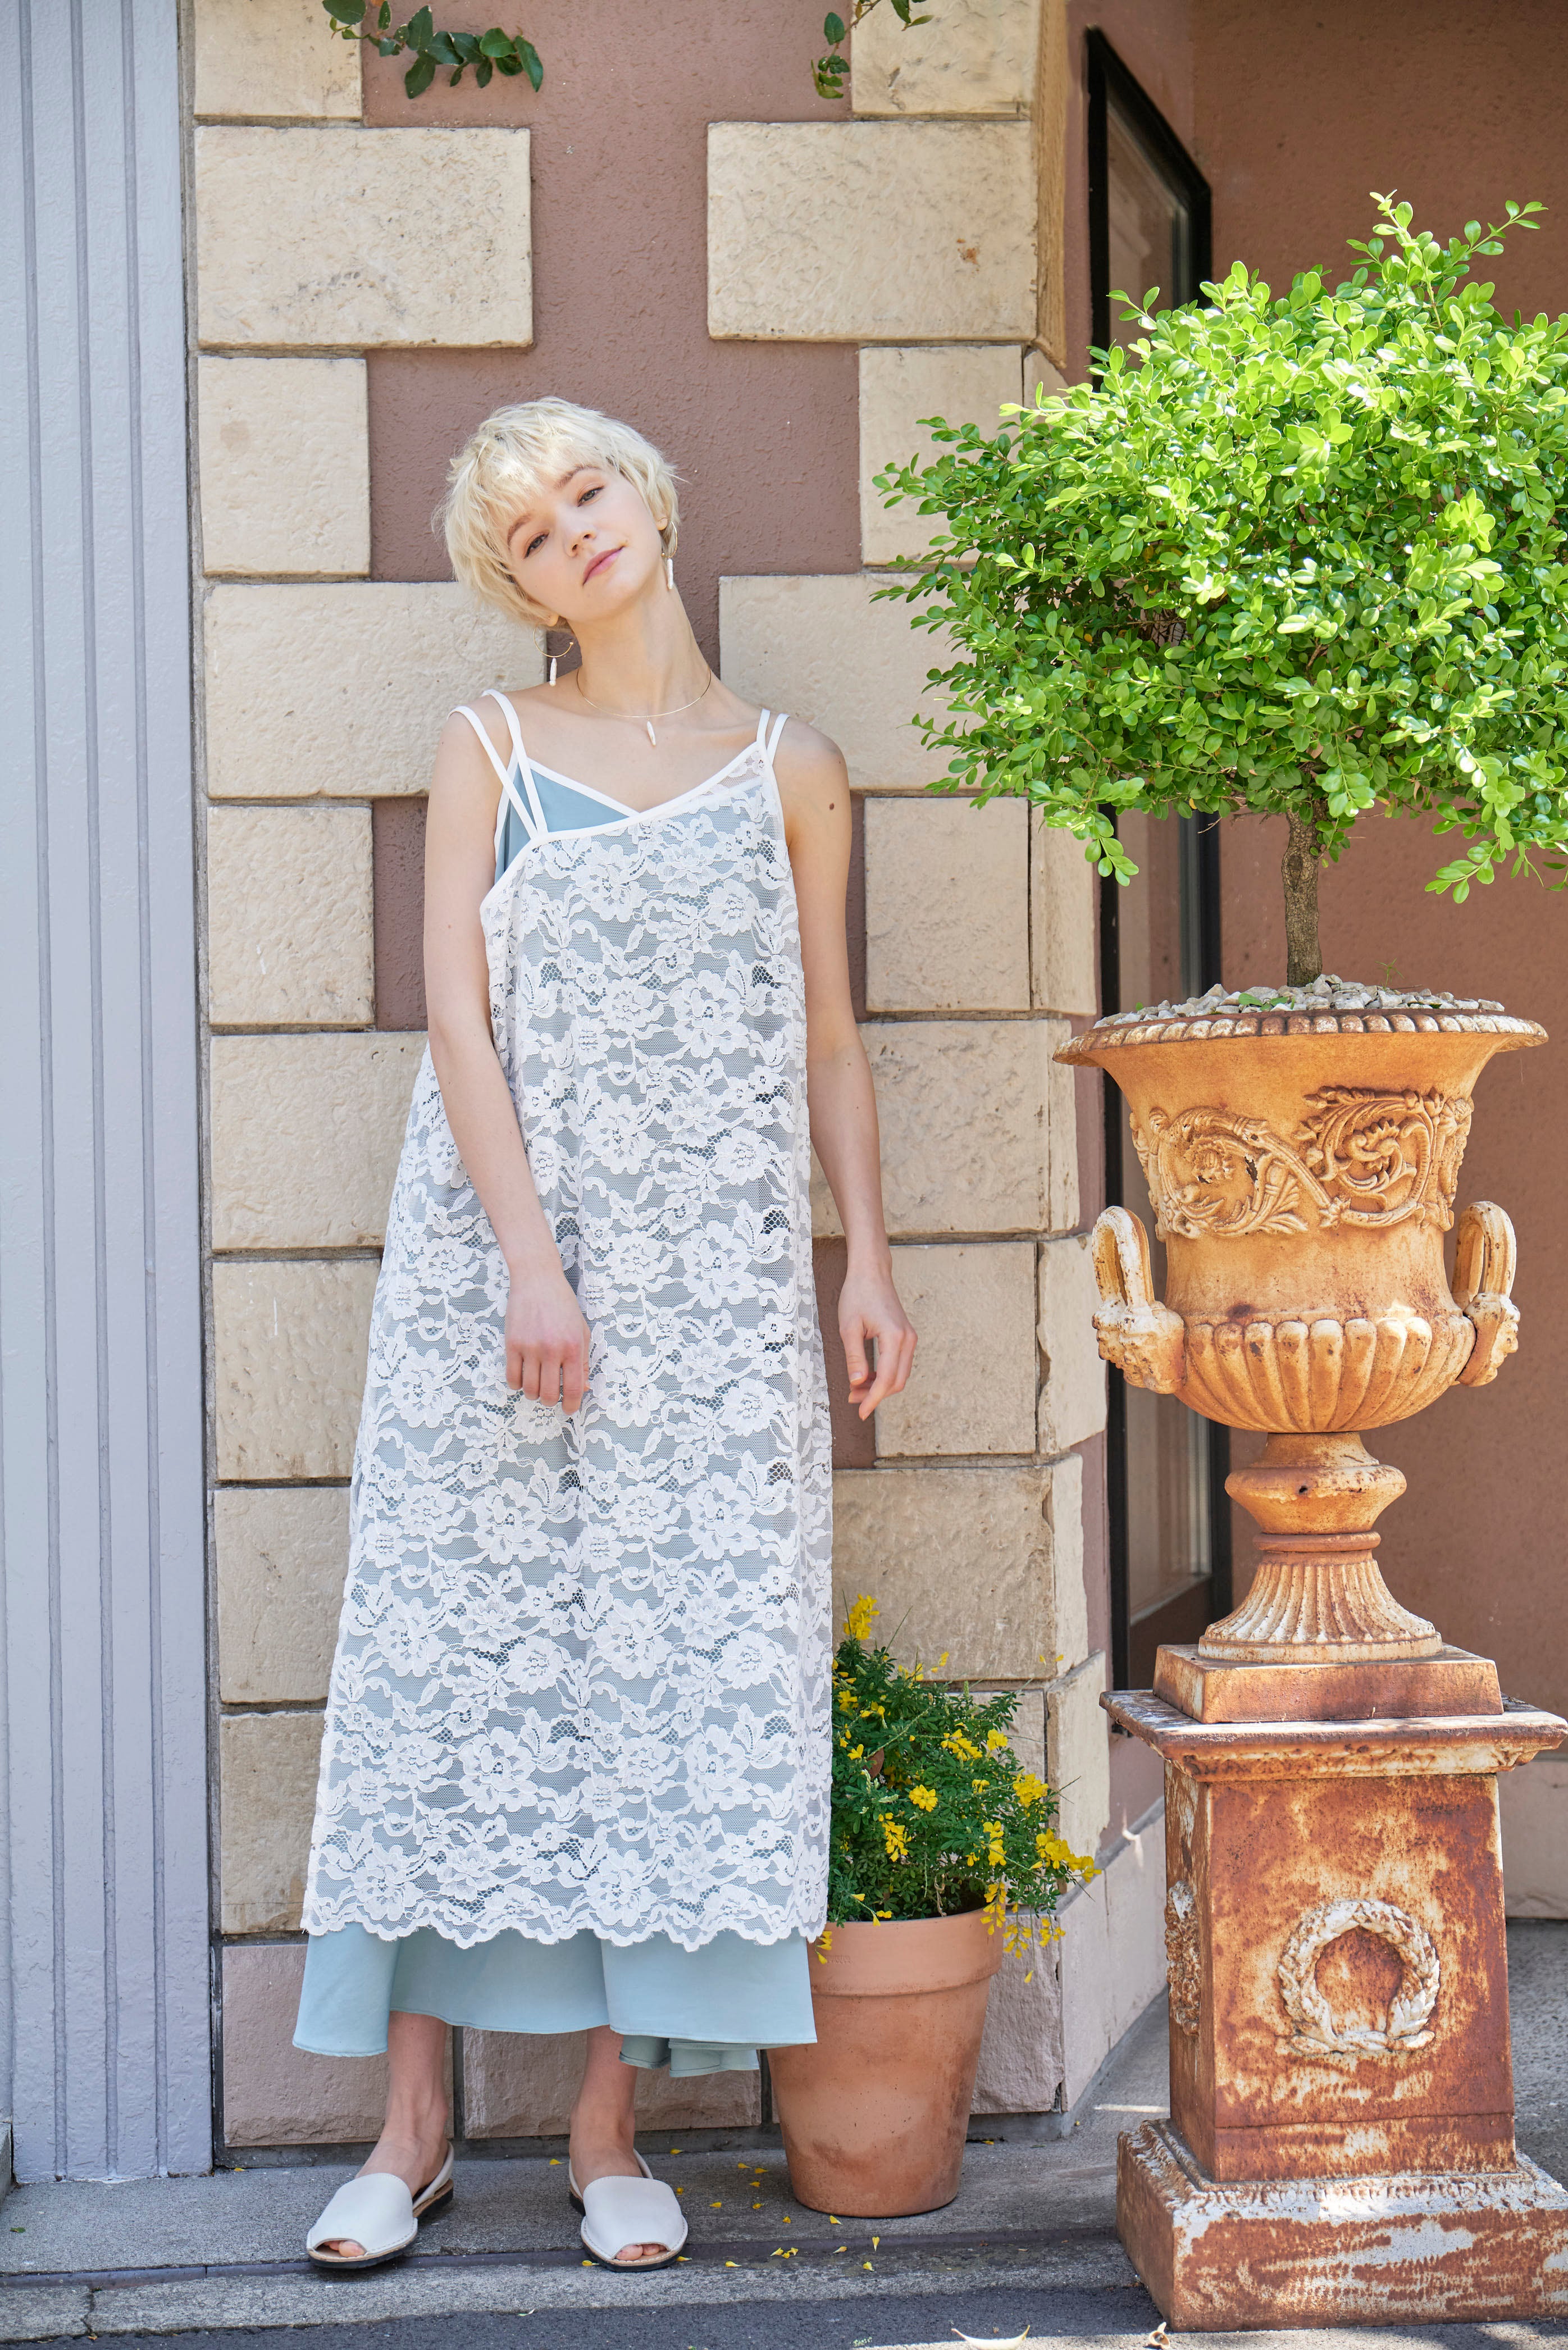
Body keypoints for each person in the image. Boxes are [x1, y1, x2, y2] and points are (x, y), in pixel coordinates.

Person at [293, 399, 916, 2272]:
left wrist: (867, 1261)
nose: (573, 529)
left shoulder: (795, 769)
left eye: (586, 489)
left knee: (655, 1675)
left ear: (646, 494)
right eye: (531, 531)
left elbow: (828, 1039)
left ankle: (604, 2132)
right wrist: (530, 1264)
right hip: (503, 1279)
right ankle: (409, 2134)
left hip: (714, 1297)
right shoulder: (486, 745)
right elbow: (456, 1022)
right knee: (458, 1653)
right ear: (522, 589)